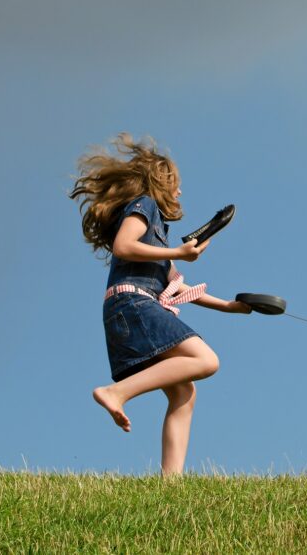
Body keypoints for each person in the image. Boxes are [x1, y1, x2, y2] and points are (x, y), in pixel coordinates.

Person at [69, 133, 251, 476]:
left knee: (185, 392)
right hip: (131, 304)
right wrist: (178, 252)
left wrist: (228, 306)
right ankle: (115, 392)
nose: (180, 192)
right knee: (205, 359)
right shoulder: (143, 206)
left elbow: (176, 287)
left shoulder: (159, 236)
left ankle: (171, 485)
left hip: (133, 307)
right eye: (176, 184)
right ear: (159, 183)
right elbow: (123, 246)